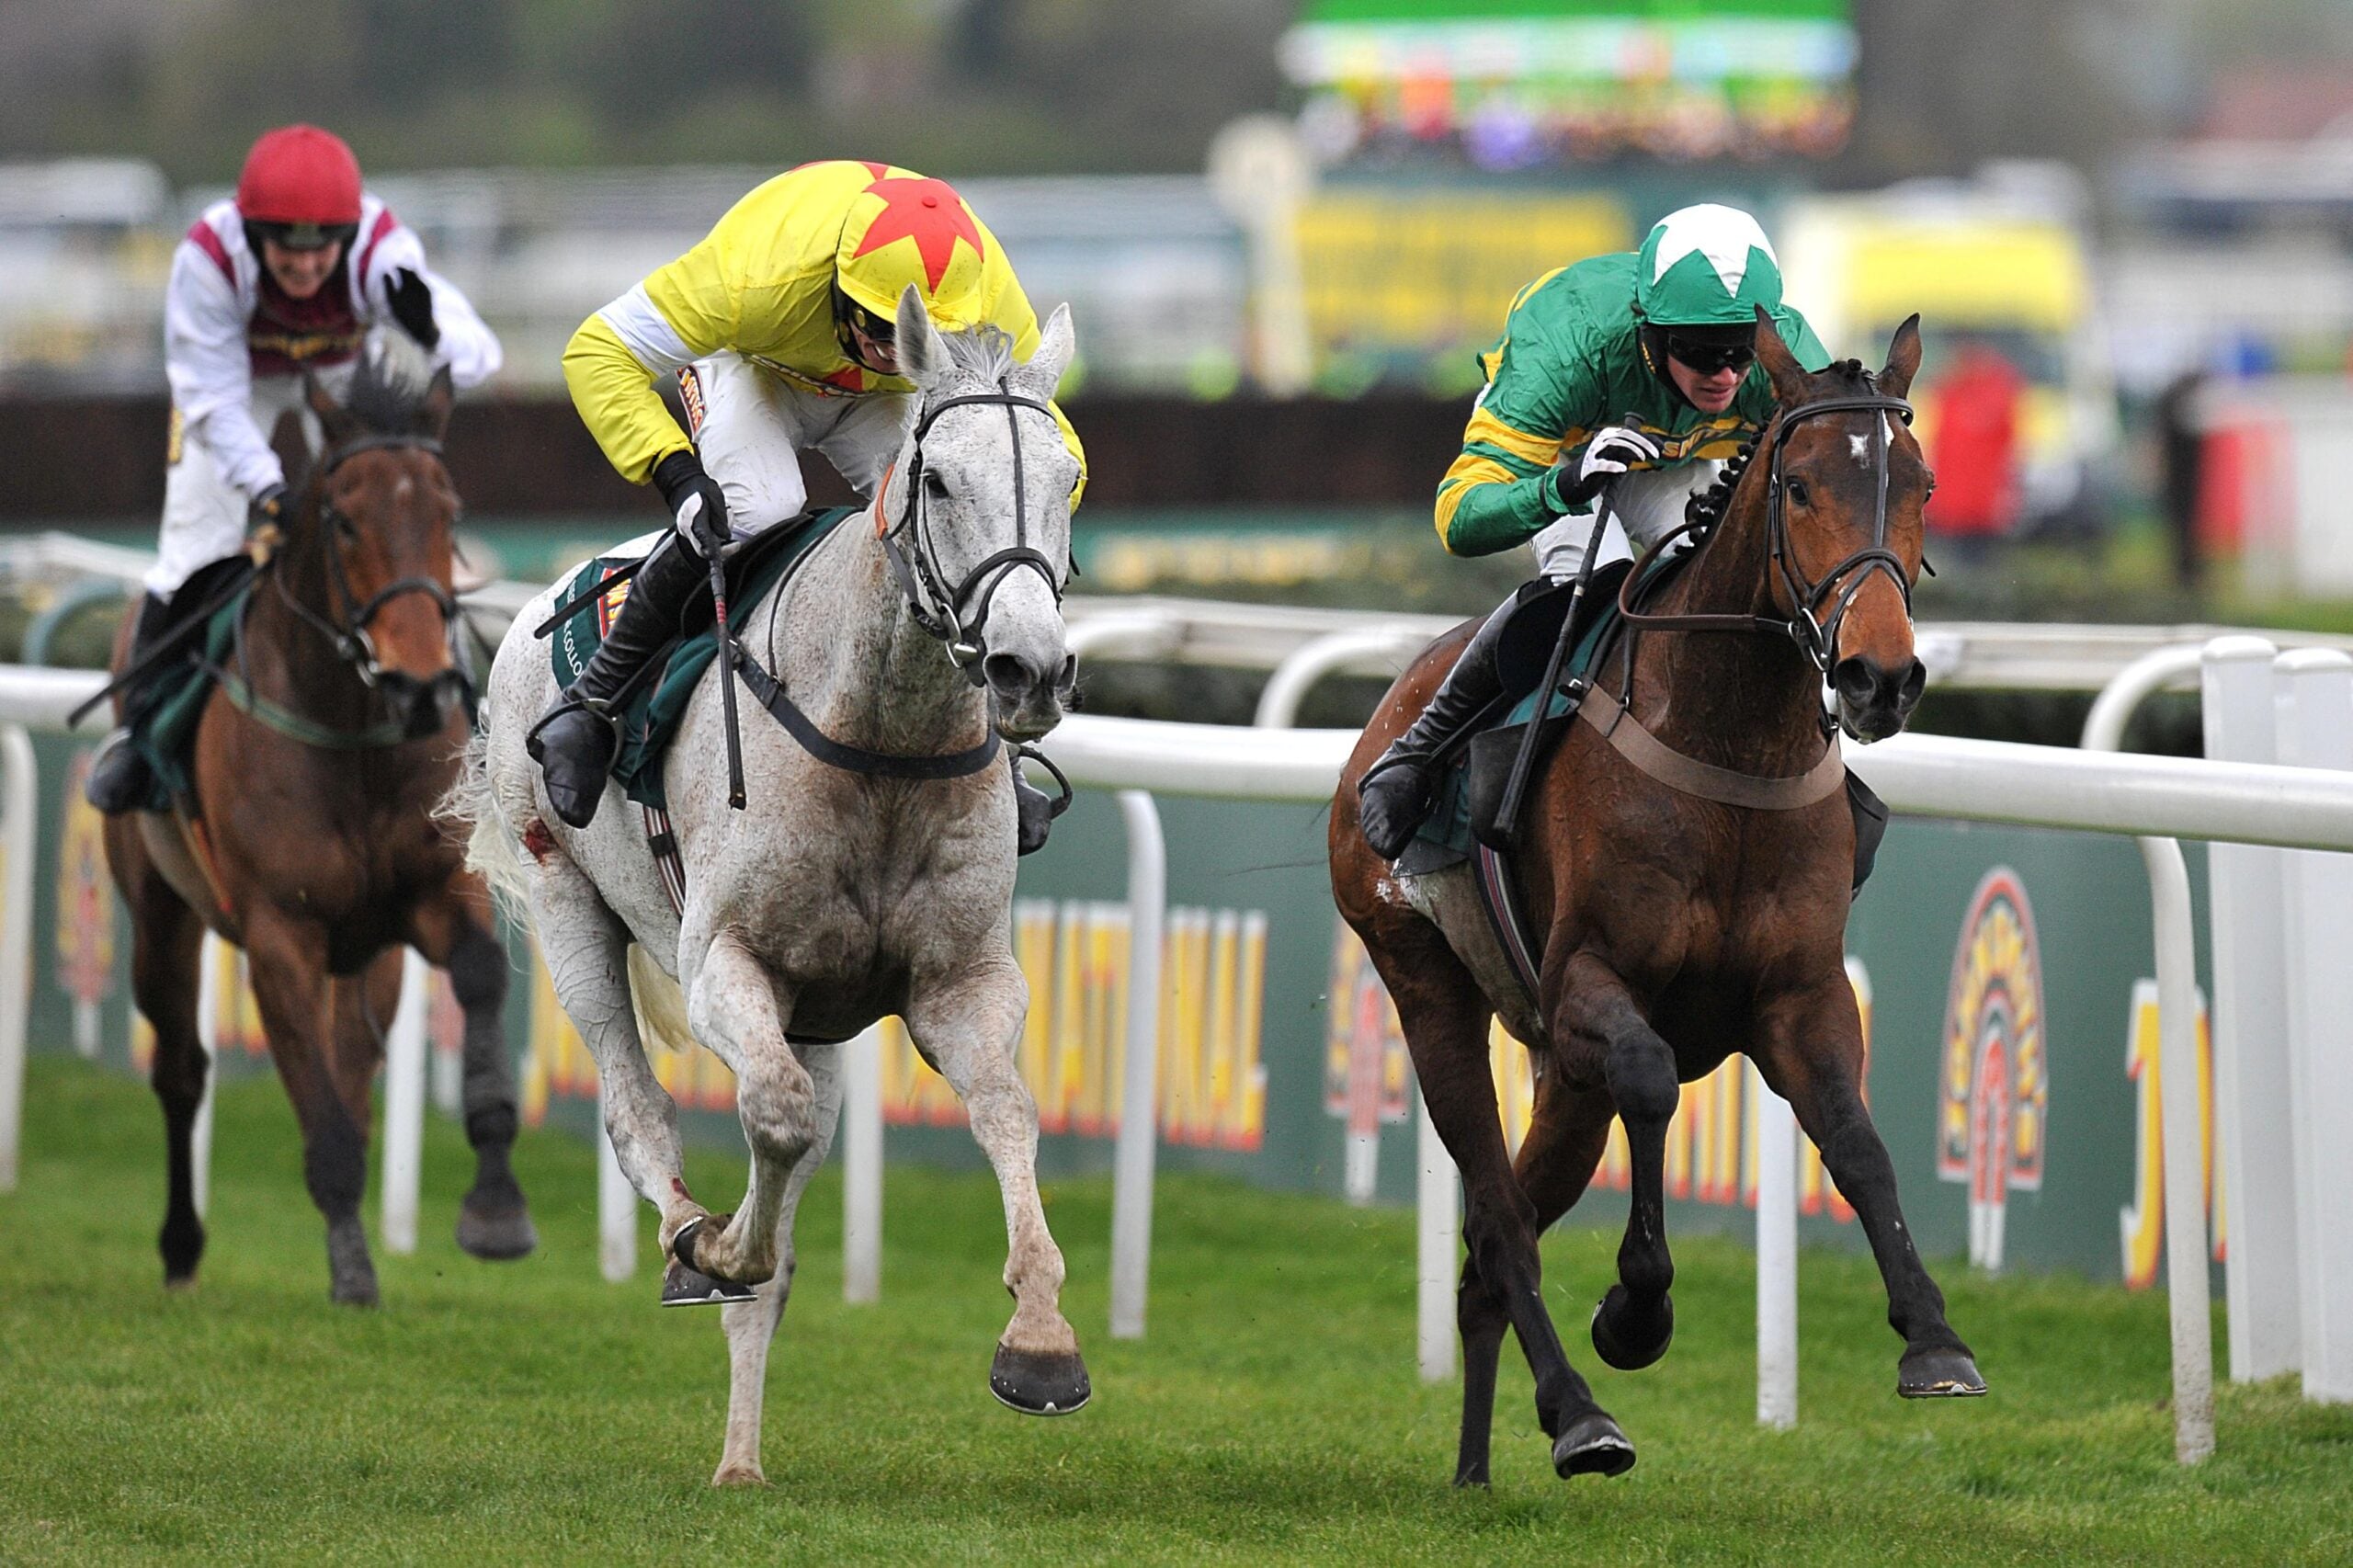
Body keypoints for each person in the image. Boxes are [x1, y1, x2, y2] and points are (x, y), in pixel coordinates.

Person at [532, 159, 1086, 829]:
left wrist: (1003, 522)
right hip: (753, 368)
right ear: (839, 291)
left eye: (909, 334)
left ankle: (994, 757)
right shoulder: (755, 278)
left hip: (893, 403)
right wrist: (675, 472)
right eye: (881, 329)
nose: (892, 350)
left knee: (941, 534)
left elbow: (1053, 454)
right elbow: (596, 350)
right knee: (759, 513)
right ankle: (595, 704)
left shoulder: (981, 291)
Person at [1357, 203, 1832, 861]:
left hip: (1680, 454)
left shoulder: (1789, 355)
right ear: (1652, 334)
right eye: (1700, 353)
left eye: (1741, 353)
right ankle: (1417, 754)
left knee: (1728, 587)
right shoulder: (1565, 346)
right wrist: (1563, 487)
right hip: (1569, 452)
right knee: (1599, 587)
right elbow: (1458, 518)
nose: (1725, 375)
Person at [85, 124, 502, 812]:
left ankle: (463, 711)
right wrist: (271, 492)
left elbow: (480, 357)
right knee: (196, 546)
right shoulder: (207, 260)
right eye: (287, 249)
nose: (306, 268)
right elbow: (211, 402)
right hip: (233, 387)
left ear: (347, 237)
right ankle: (141, 739)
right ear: (252, 236)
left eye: (321, 251)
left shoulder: (380, 247)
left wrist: (426, 330)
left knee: (396, 528)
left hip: (336, 374)